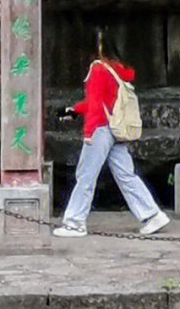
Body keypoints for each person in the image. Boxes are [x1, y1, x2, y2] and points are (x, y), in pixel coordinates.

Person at [53, 32, 170, 238]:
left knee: (85, 176)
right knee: (126, 175)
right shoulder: (117, 70)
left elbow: (96, 105)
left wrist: (88, 132)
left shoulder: (98, 69)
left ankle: (74, 222)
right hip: (116, 129)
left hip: (100, 129)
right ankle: (152, 215)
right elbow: (101, 101)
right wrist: (74, 110)